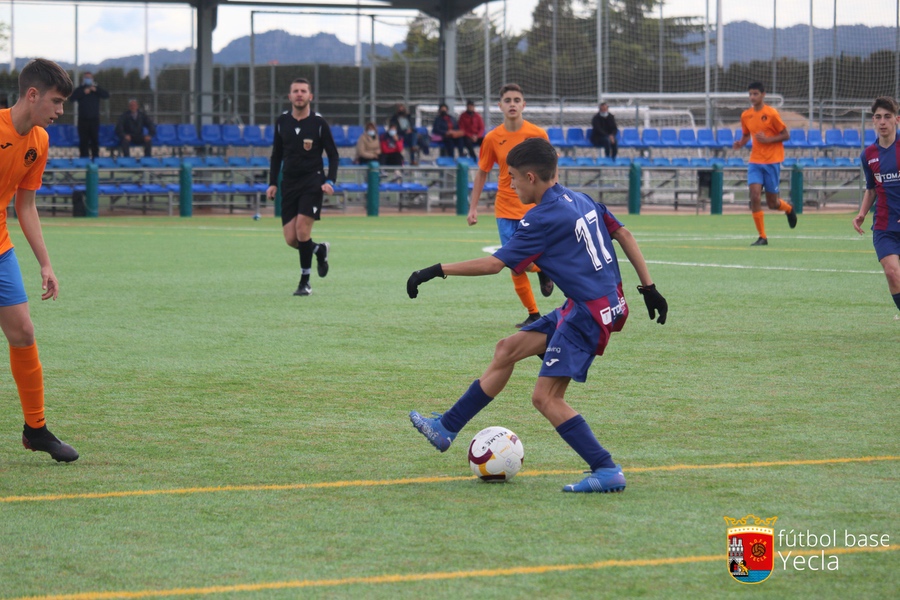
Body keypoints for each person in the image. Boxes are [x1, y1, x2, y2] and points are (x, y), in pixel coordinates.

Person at [407, 138, 668, 493]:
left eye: (513, 177)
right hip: (595, 304)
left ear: (531, 177)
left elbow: (494, 264)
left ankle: (606, 469)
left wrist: (435, 270)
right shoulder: (579, 198)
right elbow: (622, 232)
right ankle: (446, 428)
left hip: (587, 314)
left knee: (545, 399)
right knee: (507, 349)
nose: (511, 185)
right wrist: (649, 288)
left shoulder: (541, 217)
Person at [1, 59, 78, 462]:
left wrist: (45, 264)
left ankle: (36, 430)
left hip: (0, 249)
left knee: (23, 334)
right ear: (32, 95)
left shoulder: (39, 142)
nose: (60, 111)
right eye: (56, 101)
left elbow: (25, 205)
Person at [468, 83, 553, 328]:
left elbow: (551, 170)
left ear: (524, 104)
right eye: (508, 100)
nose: (512, 103)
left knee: (522, 260)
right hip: (505, 209)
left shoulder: (537, 134)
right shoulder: (492, 138)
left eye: (517, 99)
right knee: (515, 264)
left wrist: (553, 198)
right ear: (500, 106)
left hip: (533, 208)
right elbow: (482, 173)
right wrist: (473, 208)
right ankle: (534, 313)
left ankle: (543, 270)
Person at [266, 78, 339, 297]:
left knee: (302, 230)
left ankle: (305, 282)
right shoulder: (282, 122)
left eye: (303, 91)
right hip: (288, 183)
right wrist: (272, 182)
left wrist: (330, 181)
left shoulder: (318, 123)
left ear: (310, 96)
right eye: (295, 91)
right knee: (291, 239)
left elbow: (333, 155)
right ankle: (319, 249)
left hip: (313, 182)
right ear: (289, 97)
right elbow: (276, 155)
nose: (299, 94)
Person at [733, 82, 797, 246]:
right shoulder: (746, 115)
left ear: (763, 95)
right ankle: (762, 236)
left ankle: (789, 209)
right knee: (754, 196)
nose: (752, 97)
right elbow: (747, 135)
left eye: (755, 94)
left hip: (772, 161)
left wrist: (768, 140)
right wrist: (741, 143)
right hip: (755, 161)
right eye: (750, 94)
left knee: (772, 203)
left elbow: (785, 135)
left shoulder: (771, 114)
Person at [853, 96, 900, 315]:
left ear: (896, 120)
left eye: (887, 117)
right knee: (892, 273)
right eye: (878, 117)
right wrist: (862, 213)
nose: (883, 121)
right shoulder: (868, 155)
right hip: (884, 225)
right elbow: (871, 188)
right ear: (873, 120)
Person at [69, 71, 109, 160]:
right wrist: (83, 92)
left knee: (95, 140)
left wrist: (96, 90)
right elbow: (72, 98)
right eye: (86, 77)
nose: (88, 79)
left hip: (94, 120)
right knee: (83, 141)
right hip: (83, 120)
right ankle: (84, 160)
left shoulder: (96, 89)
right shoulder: (80, 89)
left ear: (92, 79)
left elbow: (106, 95)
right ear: (83, 79)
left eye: (89, 77)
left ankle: (96, 160)